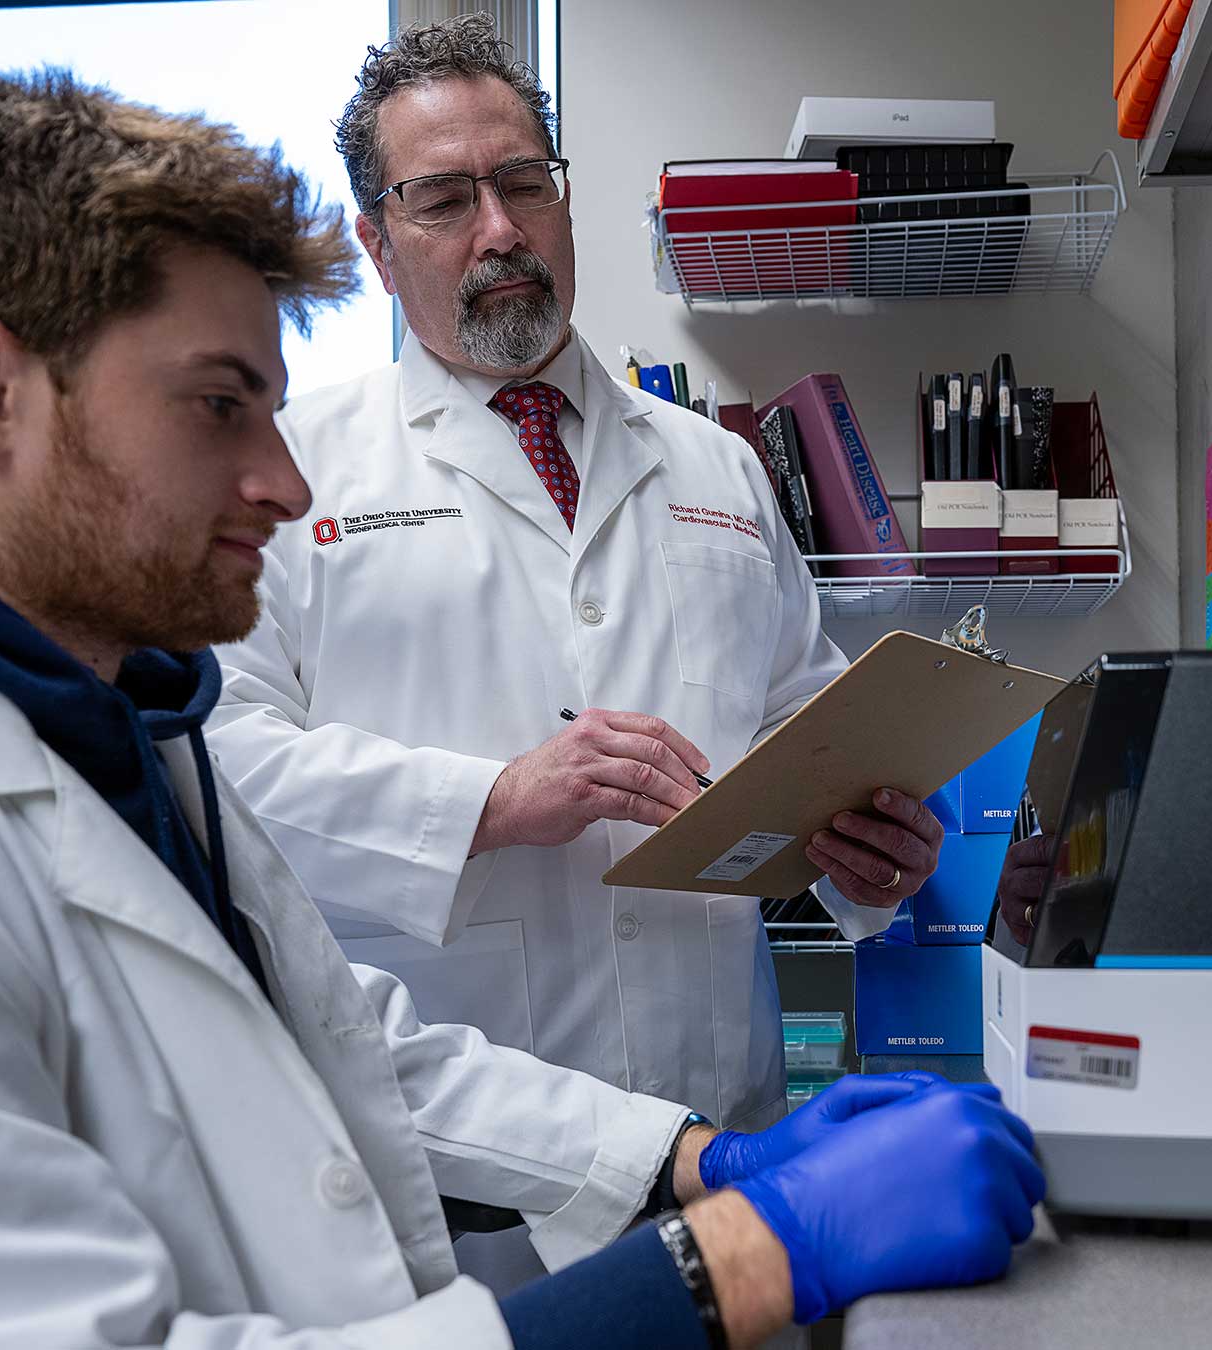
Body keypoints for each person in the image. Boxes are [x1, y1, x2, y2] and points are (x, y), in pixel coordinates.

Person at [0, 71, 1044, 1348]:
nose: (286, 483)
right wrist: (736, 1257)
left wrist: (697, 1161)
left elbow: (354, 1044)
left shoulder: (117, 746)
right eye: (221, 405)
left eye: (276, 407)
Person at [210, 15, 937, 1158]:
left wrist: (871, 856)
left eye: (522, 182)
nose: (500, 229)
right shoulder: (289, 473)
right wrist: (488, 804)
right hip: (459, 1165)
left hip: (722, 1121)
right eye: (444, 200)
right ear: (376, 240)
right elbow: (223, 772)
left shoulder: (716, 466)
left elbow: (807, 720)